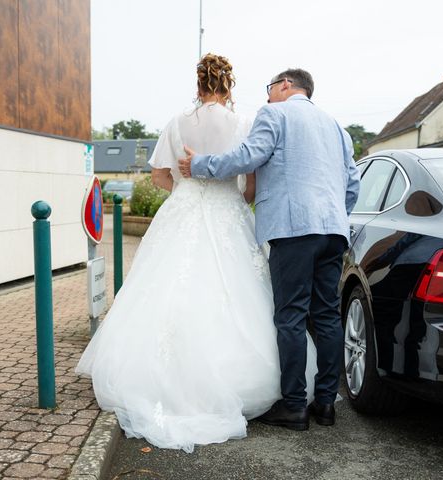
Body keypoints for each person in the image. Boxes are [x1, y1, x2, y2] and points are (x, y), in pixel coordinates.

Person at [76, 54, 317, 453]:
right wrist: (235, 199)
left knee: (166, 286)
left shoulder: (176, 122)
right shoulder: (244, 123)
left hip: (182, 211)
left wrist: (186, 194)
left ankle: (154, 379)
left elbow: (157, 175)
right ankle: (250, 381)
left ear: (199, 83)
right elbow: (251, 183)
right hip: (228, 212)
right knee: (238, 293)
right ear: (229, 85)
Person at [179, 68, 361, 431]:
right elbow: (352, 182)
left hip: (293, 229)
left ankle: (294, 407)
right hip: (334, 231)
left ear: (286, 85)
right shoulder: (336, 127)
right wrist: (334, 216)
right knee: (326, 315)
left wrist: (200, 164)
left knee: (290, 315)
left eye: (270, 88)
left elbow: (249, 156)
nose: (266, 97)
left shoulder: (275, 114)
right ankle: (325, 404)